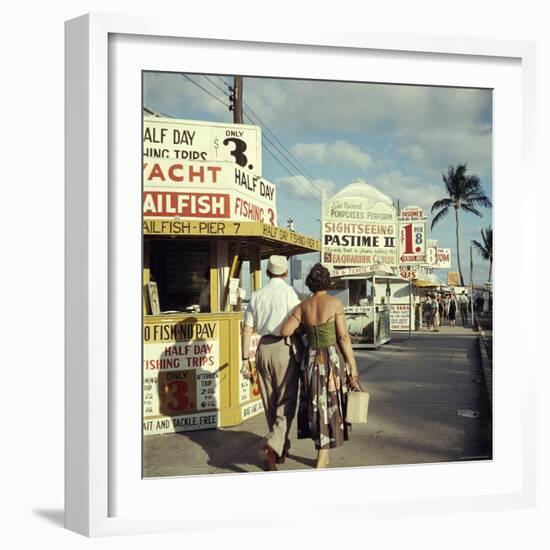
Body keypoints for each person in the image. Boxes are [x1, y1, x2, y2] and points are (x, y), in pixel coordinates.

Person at [280, 263, 360, 469]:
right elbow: (343, 337)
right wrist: (353, 366)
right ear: (327, 281)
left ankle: (322, 453)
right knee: (330, 405)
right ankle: (322, 458)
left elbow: (286, 331)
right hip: (330, 358)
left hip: (311, 358)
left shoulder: (303, 306)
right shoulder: (334, 304)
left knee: (316, 405)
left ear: (309, 283)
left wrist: (304, 331)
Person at [241, 255, 301, 471]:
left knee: (269, 401)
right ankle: (273, 446)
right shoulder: (288, 293)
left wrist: (245, 358)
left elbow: (247, 329)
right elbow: (298, 320)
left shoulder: (257, 295)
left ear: (267, 272)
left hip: (262, 348)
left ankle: (280, 447)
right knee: (287, 400)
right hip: (283, 347)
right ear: (285, 273)